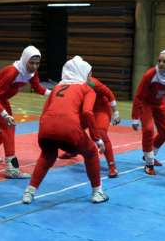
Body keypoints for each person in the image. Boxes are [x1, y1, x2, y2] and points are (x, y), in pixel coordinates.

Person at [22, 56, 108, 204]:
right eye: (89, 74)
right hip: (68, 129)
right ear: (82, 73)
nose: (90, 77)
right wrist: (97, 138)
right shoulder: (87, 89)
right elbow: (88, 113)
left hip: (45, 128)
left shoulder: (56, 87)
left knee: (47, 155)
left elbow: (44, 112)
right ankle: (97, 192)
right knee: (92, 152)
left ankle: (29, 192)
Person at [0, 45, 50, 178]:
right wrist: (4, 114)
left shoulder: (31, 73)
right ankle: (11, 168)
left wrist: (55, 93)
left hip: (1, 98)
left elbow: (38, 88)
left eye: (37, 63)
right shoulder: (12, 72)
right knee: (8, 126)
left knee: (8, 126)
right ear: (24, 60)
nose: (35, 66)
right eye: (32, 63)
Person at [59, 76, 121, 178]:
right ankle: (72, 151)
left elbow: (109, 93)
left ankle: (112, 166)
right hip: (86, 109)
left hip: (101, 109)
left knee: (101, 133)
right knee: (72, 128)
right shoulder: (71, 82)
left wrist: (115, 112)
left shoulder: (93, 83)